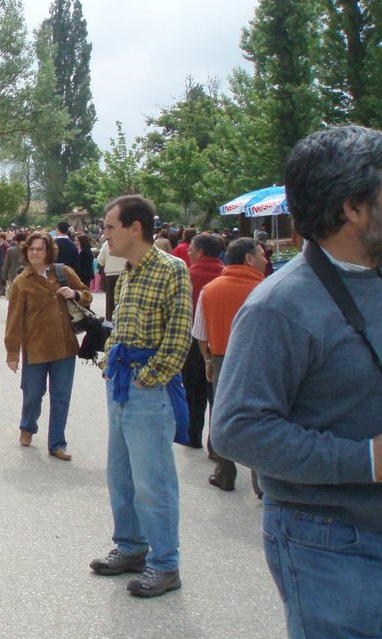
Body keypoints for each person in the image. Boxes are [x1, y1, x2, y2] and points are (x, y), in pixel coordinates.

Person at [213, 126, 382, 638]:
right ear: (353, 208)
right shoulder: (279, 307)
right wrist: (365, 459)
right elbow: (234, 429)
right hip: (331, 543)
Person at [90, 194, 192, 599]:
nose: (105, 235)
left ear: (136, 228)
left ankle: (165, 564)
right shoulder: (127, 271)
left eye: (110, 227)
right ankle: (131, 548)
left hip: (147, 388)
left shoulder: (172, 270)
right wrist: (109, 366)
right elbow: (121, 328)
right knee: (121, 474)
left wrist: (147, 379)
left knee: (154, 480)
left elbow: (178, 337)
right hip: (121, 383)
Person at [5, 230, 92, 460]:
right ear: (26, 251)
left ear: (48, 251)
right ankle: (28, 426)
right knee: (33, 393)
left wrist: (74, 293)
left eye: (39, 249)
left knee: (61, 395)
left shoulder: (63, 272)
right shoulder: (21, 283)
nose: (35, 253)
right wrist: (12, 352)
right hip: (36, 348)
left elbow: (87, 294)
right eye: (31, 249)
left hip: (65, 346)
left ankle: (57, 443)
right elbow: (14, 320)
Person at [192, 236, 267, 492]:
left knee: (223, 413)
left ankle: (224, 473)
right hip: (260, 359)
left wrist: (207, 359)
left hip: (222, 357)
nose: (265, 259)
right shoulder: (266, 289)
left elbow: (200, 332)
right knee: (261, 416)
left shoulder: (210, 289)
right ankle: (262, 483)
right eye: (261, 254)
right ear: (248, 258)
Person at [183, 232, 224, 450]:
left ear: (199, 252)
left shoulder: (187, 275)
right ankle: (215, 445)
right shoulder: (226, 274)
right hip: (221, 343)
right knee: (216, 396)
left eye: (190, 250)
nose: (188, 253)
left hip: (191, 341)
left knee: (193, 390)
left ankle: (193, 435)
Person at [97, 239, 127, 321]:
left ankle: (110, 322)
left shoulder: (107, 244)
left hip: (110, 275)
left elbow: (100, 260)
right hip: (125, 274)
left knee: (110, 302)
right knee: (124, 300)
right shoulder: (127, 241)